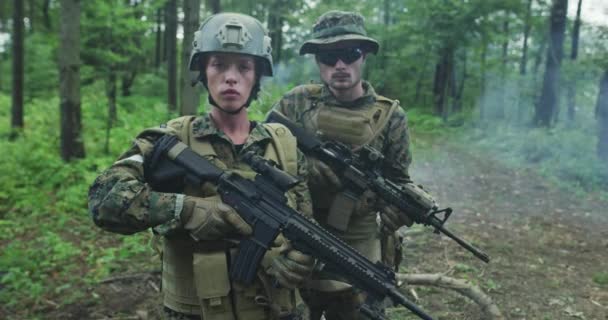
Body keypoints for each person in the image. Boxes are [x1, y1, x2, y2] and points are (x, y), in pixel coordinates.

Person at [89, 13, 314, 320]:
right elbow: (103, 200)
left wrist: (298, 260)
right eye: (219, 64)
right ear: (203, 71)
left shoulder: (284, 146)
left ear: (257, 76)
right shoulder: (169, 141)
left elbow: (305, 224)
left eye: (244, 66)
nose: (231, 77)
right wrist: (187, 210)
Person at [268, 10, 415, 320]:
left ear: (363, 57)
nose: (340, 66)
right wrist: (302, 166)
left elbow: (399, 181)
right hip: (297, 238)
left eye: (349, 54)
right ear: (317, 61)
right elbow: (263, 157)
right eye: (328, 56)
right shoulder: (295, 104)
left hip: (357, 246)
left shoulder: (390, 117)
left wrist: (403, 207)